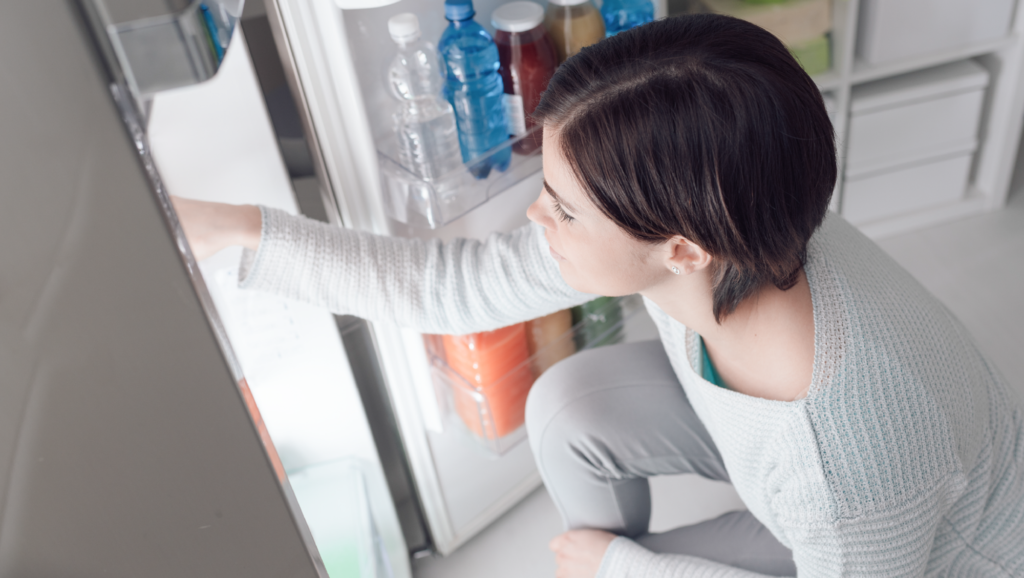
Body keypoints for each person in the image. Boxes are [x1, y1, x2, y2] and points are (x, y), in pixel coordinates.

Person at [174, 14, 1024, 578]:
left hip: (919, 555)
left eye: (564, 208)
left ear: (683, 249)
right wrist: (235, 228)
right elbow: (453, 285)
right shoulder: (736, 216)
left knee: (616, 557)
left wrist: (626, 565)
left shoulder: (852, 463)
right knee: (569, 406)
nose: (539, 216)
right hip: (802, 475)